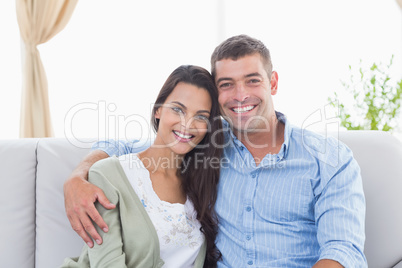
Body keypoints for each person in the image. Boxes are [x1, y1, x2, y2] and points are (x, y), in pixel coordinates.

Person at [64, 35, 367, 267]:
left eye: (252, 80)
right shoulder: (205, 142)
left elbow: (342, 250)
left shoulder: (329, 159)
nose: (240, 95)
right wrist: (78, 177)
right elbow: (130, 150)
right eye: (227, 84)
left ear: (272, 83)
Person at [61, 65, 223, 267]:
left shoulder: (202, 183)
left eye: (201, 116)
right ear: (157, 110)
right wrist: (76, 176)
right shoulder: (109, 174)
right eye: (177, 109)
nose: (187, 124)